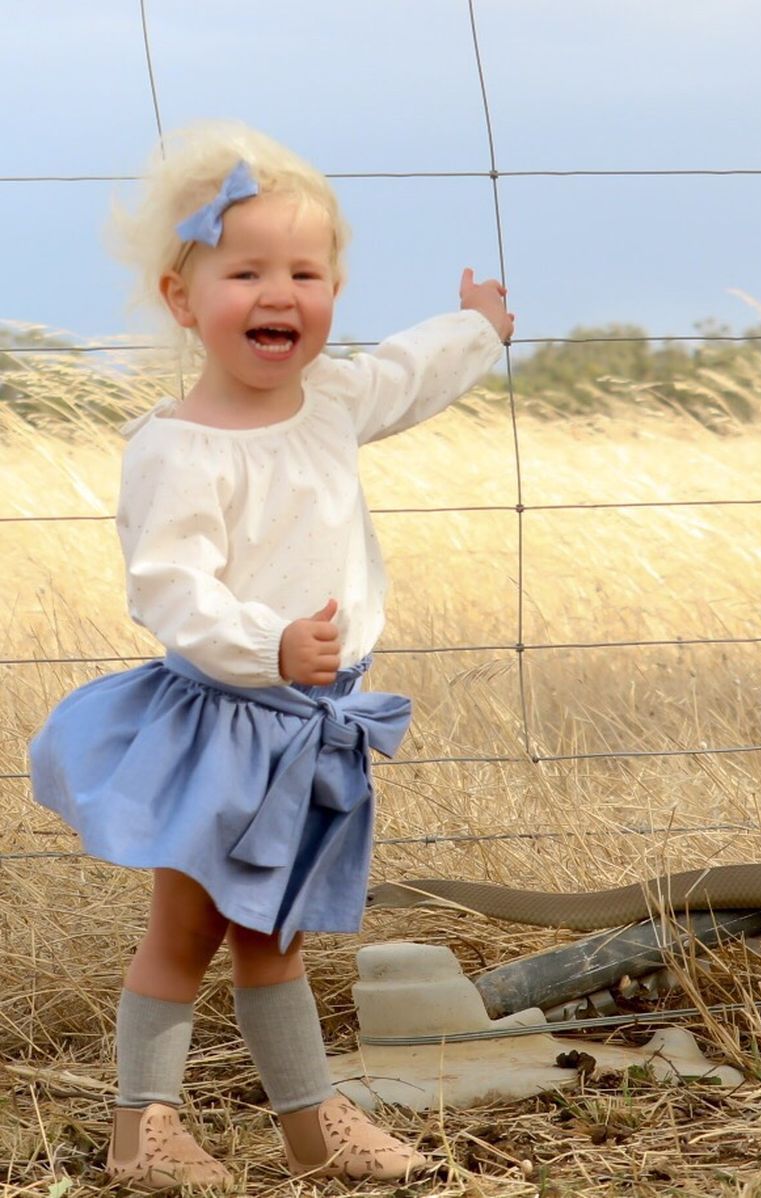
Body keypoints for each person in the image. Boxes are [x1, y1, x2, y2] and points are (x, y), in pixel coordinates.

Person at [29, 121, 513, 1191]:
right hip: (228, 720)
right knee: (186, 930)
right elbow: (169, 586)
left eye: (305, 271)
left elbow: (405, 373)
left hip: (312, 721)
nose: (278, 293)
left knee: (275, 936)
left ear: (333, 288)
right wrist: (269, 642)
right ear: (181, 299)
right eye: (244, 272)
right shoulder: (177, 446)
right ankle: (138, 1131)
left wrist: (476, 328)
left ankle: (309, 1124)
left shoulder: (332, 400)